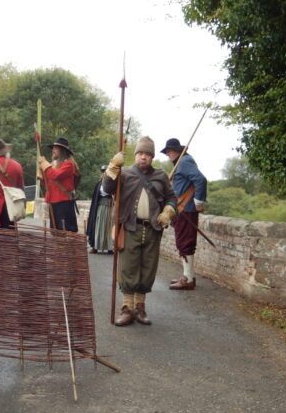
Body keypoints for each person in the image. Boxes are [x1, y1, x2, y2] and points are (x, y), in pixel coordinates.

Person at [102, 136, 177, 326]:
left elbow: (171, 198)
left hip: (153, 229)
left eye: (148, 154)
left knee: (147, 268)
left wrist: (168, 211)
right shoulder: (124, 173)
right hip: (129, 227)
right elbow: (107, 187)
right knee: (128, 267)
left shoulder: (160, 176)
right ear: (136, 155)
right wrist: (112, 167)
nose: (143, 157)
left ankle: (140, 308)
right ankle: (127, 309)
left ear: (152, 157)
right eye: (140, 153)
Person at [160, 138, 207, 291]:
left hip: (186, 209)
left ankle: (187, 279)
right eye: (167, 152)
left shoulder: (185, 161)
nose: (168, 155)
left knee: (185, 242)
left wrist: (198, 202)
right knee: (183, 242)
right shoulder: (182, 162)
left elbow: (200, 180)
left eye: (169, 151)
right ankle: (188, 276)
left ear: (177, 151)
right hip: (182, 209)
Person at [38, 137, 81, 233]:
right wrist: (41, 174)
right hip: (53, 202)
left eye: (55, 148)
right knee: (55, 231)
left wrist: (44, 164)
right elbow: (48, 183)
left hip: (64, 203)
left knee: (65, 231)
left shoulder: (69, 164)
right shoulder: (53, 165)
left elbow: (55, 176)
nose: (52, 150)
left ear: (62, 151)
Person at [86, 165, 114, 254]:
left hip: (111, 207)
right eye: (103, 172)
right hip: (101, 207)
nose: (105, 173)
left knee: (109, 226)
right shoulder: (99, 183)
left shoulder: (114, 182)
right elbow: (97, 196)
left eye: (106, 172)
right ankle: (95, 246)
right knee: (98, 225)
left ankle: (110, 247)